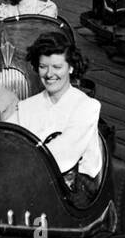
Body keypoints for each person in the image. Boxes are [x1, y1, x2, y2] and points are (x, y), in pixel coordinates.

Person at [13, 30, 103, 205]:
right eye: (43, 66)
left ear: (70, 67)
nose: (49, 74)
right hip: (35, 177)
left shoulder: (86, 106)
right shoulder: (26, 106)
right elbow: (5, 136)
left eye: (57, 67)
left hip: (76, 185)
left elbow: (65, 152)